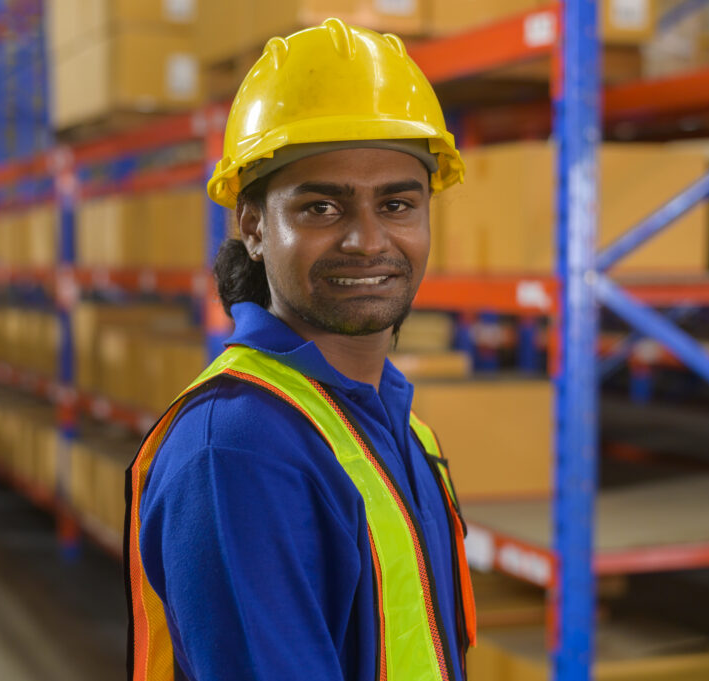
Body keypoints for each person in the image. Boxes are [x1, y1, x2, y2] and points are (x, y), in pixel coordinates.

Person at [125, 18, 477, 681]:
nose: (368, 241)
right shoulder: (238, 449)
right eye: (322, 208)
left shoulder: (397, 427)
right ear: (254, 227)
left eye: (398, 204)